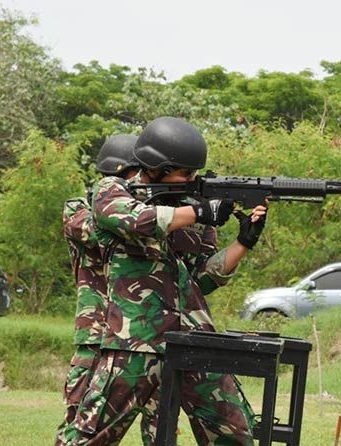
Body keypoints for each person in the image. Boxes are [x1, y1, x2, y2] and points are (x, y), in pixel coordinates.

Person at [68, 117, 267, 446]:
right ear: (157, 168)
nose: (192, 180)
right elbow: (129, 217)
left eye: (194, 173)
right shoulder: (112, 191)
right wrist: (199, 212)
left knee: (236, 433)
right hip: (135, 341)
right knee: (89, 437)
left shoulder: (190, 206)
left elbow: (201, 278)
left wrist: (243, 243)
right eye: (185, 173)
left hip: (194, 337)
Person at [55, 135, 140, 446]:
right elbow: (102, 231)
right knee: (80, 423)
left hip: (134, 336)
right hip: (96, 335)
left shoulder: (142, 214)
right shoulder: (79, 209)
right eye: (137, 174)